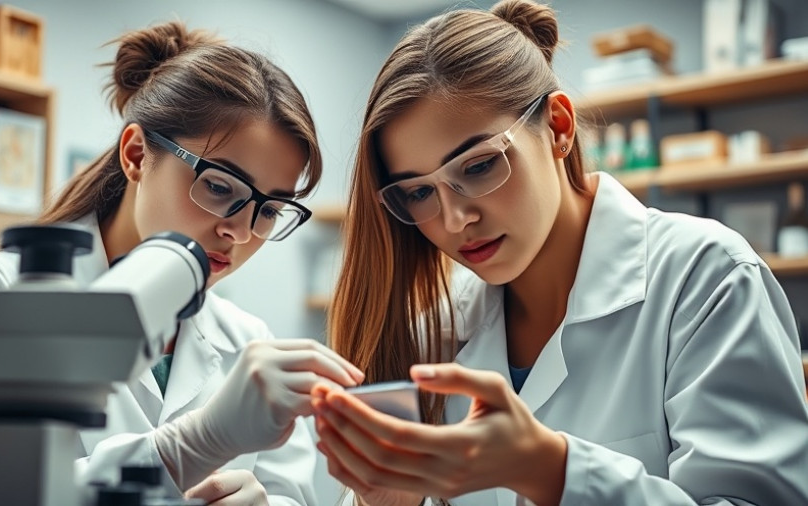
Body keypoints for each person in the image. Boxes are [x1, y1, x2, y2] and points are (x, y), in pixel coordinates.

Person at [310, 1, 808, 505]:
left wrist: (551, 469)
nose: (454, 219)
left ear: (559, 127)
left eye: (479, 166)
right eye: (419, 192)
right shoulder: (438, 331)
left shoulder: (707, 278)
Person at [0, 21, 364, 506]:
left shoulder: (249, 340)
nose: (241, 231)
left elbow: (290, 495)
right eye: (219, 186)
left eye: (269, 210)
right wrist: (192, 444)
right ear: (135, 155)